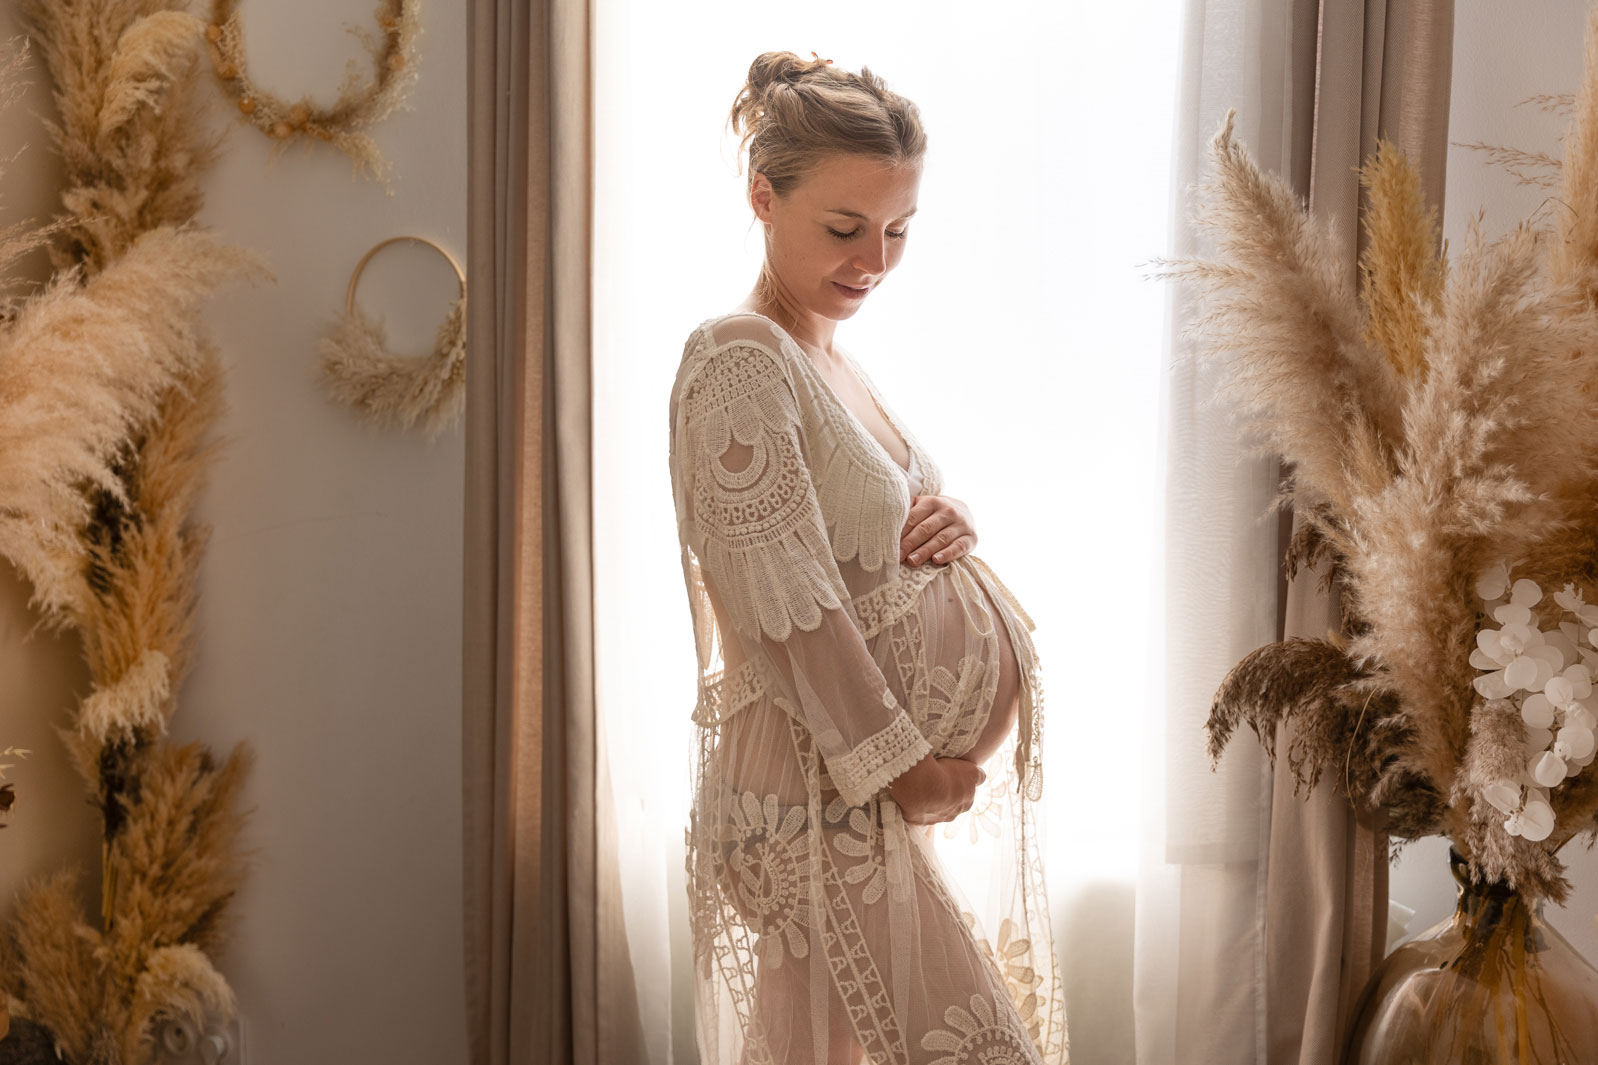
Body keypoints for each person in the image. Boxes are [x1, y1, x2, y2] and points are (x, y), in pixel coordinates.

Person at [668, 51, 1066, 1065]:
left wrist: (953, 525)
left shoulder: (828, 359)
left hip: (848, 797)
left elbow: (859, 541)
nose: (872, 261)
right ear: (762, 195)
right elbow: (783, 601)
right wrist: (903, 774)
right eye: (843, 229)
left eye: (896, 232)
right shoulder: (737, 357)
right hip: (818, 794)